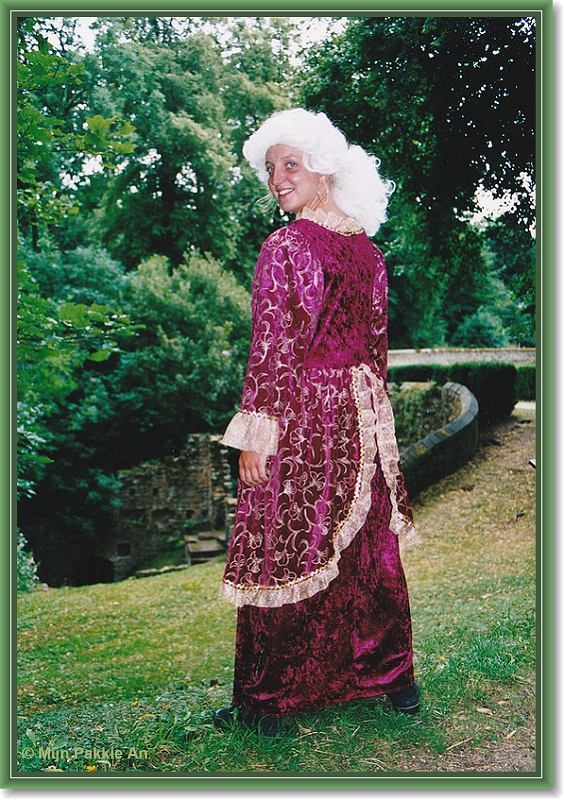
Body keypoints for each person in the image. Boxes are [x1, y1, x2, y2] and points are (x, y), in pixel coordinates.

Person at [214, 108, 421, 737]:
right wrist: (374, 422)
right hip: (362, 415)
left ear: (322, 167)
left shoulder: (287, 246)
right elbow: (376, 351)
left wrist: (257, 432)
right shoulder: (368, 253)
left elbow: (275, 347)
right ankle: (390, 679)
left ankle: (271, 699)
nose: (277, 178)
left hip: (303, 414)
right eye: (269, 168)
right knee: (366, 547)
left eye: (290, 164)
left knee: (287, 544)